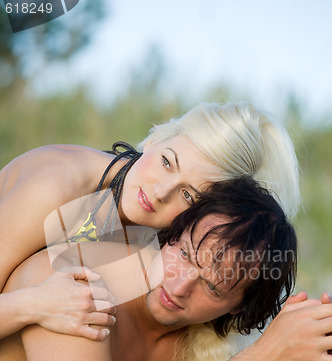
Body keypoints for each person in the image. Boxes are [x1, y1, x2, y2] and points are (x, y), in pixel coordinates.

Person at [4, 176, 330, 361]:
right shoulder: (75, 283)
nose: (179, 287)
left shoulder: (200, 344)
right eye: (185, 255)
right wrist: (261, 359)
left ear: (237, 309)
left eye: (213, 287)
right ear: (172, 234)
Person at [0, 102, 300, 342]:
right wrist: (34, 305)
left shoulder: (168, 237)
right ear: (155, 138)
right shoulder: (54, 189)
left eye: (188, 195)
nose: (159, 193)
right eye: (167, 162)